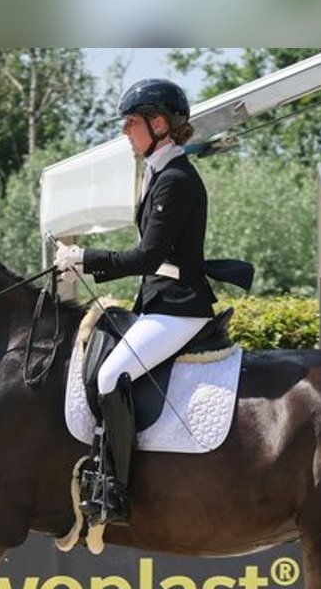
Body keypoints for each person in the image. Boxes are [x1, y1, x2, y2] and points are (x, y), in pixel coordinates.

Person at [53, 79, 215, 527]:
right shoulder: (160, 173)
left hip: (179, 306)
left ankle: (115, 488)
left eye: (131, 122)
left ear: (159, 123)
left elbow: (148, 256)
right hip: (159, 302)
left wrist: (84, 259)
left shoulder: (177, 179)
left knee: (111, 375)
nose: (125, 131)